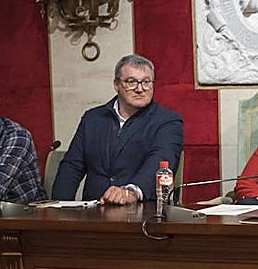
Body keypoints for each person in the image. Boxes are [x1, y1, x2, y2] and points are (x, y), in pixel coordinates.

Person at [52, 54, 183, 204]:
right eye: (131, 82)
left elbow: (160, 161)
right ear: (116, 85)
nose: (140, 89)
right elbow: (72, 166)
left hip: (142, 212)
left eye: (146, 82)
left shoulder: (167, 121)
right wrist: (58, 207)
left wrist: (132, 192)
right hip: (94, 212)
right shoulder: (93, 119)